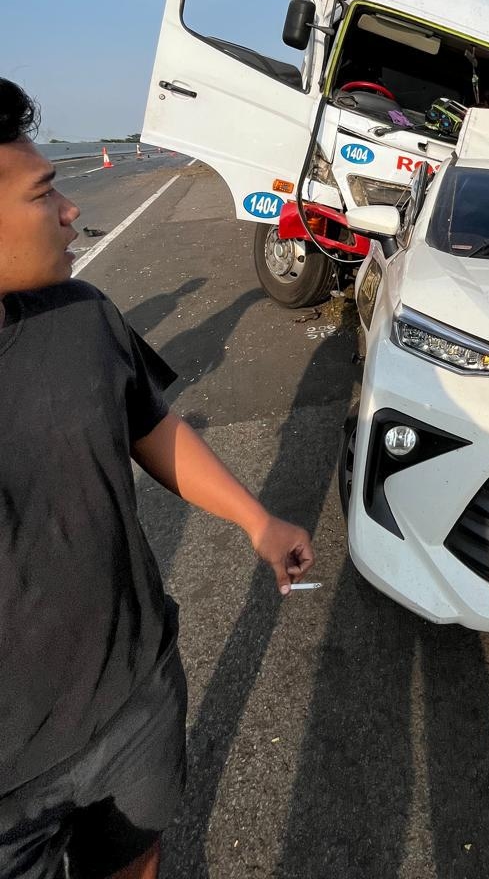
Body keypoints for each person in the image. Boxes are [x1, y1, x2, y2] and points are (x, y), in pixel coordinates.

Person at [0, 79, 315, 878]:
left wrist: (256, 519)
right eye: (44, 194)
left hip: (133, 694)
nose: (71, 210)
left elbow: (151, 425)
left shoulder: (82, 315)